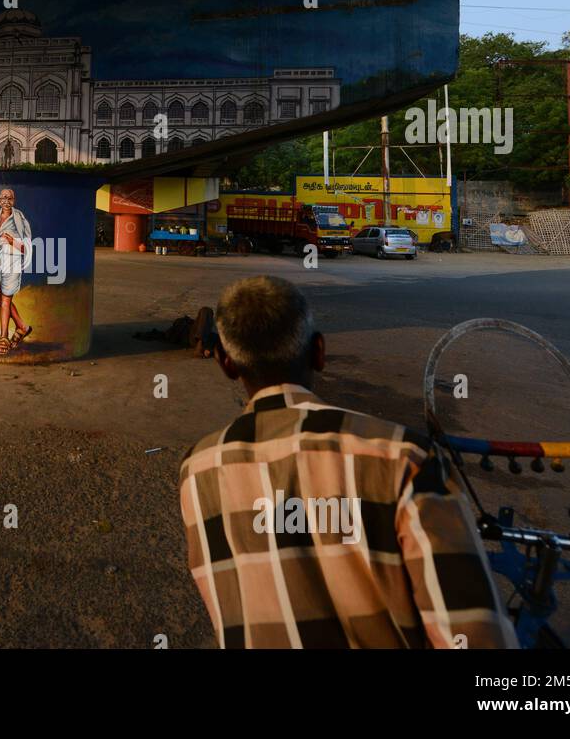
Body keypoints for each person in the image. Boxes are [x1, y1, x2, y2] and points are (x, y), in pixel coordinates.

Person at [179, 276, 517, 649]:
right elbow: (473, 633)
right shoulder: (403, 457)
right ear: (319, 352)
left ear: (227, 364)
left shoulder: (197, 471)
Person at [0, 188, 32, 356]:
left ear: (14, 200)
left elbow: (27, 247)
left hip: (12, 261)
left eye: (9, 198)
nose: (6, 200)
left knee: (5, 299)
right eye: (3, 197)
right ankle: (22, 326)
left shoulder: (20, 219)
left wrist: (12, 241)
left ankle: (3, 338)